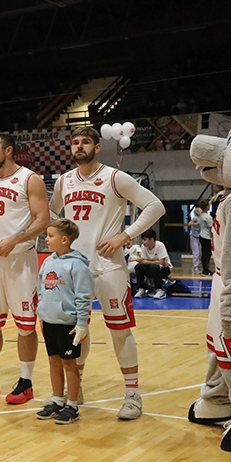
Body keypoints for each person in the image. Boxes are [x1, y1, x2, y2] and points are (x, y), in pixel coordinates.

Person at [49, 126, 166, 420]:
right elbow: (51, 215)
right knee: (77, 330)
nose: (79, 147)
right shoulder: (64, 181)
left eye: (85, 142)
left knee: (119, 331)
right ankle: (76, 389)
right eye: (75, 143)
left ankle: (132, 396)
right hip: (75, 268)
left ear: (96, 147)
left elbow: (155, 206)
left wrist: (125, 235)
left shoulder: (114, 177)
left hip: (109, 267)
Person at [0, 132, 50, 404]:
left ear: (8, 150)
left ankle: (26, 382)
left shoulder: (30, 179)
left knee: (25, 326)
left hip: (20, 260)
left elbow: (43, 220)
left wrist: (16, 238)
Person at [34, 219, 93, 425]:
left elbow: (84, 296)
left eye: (50, 236)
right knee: (53, 361)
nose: (46, 239)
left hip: (68, 324)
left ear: (64, 239)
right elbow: (42, 291)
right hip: (49, 321)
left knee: (70, 364)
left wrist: (81, 324)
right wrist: (42, 315)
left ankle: (73, 405)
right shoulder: (48, 262)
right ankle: (57, 400)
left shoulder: (77, 265)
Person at [131, 229, 172, 299]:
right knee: (139, 266)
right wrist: (155, 260)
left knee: (154, 267)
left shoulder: (160, 245)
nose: (143, 242)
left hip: (164, 269)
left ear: (151, 239)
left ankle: (160, 290)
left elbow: (162, 262)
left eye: (144, 240)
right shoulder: (143, 247)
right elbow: (143, 260)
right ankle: (141, 288)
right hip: (151, 268)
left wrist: (149, 261)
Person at [197, 200, 213, 275]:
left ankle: (205, 268)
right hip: (207, 237)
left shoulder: (200, 215)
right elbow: (210, 228)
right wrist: (212, 237)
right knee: (207, 254)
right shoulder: (208, 217)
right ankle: (206, 269)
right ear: (207, 207)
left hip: (201, 235)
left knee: (204, 253)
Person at [186, 205, 203, 274]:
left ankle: (198, 265)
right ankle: (195, 266)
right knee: (196, 252)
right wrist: (197, 223)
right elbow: (190, 223)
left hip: (200, 236)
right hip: (194, 236)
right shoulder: (195, 218)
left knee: (200, 252)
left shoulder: (202, 218)